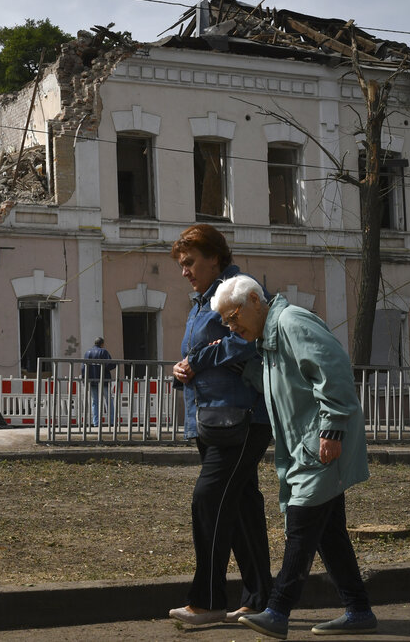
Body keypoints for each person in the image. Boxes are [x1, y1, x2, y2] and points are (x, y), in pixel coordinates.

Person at [211, 274, 377, 639]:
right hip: (305, 447)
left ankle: (278, 610)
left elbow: (332, 370)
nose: (232, 325)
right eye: (226, 321)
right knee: (328, 533)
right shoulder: (269, 340)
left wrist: (332, 427)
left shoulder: (291, 322)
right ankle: (359, 610)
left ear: (255, 300)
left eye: (234, 315)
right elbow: (286, 381)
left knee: (301, 526)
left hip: (319, 444)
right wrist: (242, 368)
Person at [167, 224, 274, 626]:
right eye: (181, 265)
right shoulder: (201, 301)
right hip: (212, 418)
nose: (184, 272)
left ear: (215, 258)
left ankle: (209, 600)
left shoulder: (238, 291)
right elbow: (202, 353)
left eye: (190, 262)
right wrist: (182, 368)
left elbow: (251, 337)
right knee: (242, 507)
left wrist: (198, 361)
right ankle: (261, 599)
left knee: (208, 500)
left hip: (242, 417)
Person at [82, 337, 114, 427]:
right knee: (108, 400)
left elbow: (83, 367)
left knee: (95, 401)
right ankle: (111, 422)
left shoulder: (87, 353)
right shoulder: (104, 352)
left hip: (92, 380)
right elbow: (110, 365)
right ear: (102, 344)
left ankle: (96, 423)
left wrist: (85, 379)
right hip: (104, 380)